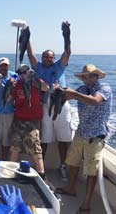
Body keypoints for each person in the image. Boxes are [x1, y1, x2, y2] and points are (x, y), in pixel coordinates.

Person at [55, 64, 112, 213]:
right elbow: (67, 95)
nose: (87, 79)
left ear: (96, 76)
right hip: (81, 132)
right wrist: (56, 90)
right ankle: (71, 188)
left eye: (91, 76)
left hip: (95, 135)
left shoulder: (104, 88)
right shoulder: (81, 89)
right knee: (73, 162)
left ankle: (86, 203)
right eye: (85, 76)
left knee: (91, 171)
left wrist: (74, 94)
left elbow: (94, 101)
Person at [26, 22, 73, 180]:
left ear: (54, 58)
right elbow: (30, 55)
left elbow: (67, 52)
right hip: (45, 107)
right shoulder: (38, 67)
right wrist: (27, 35)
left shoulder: (60, 66)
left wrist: (66, 35)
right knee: (44, 139)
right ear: (42, 58)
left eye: (51, 57)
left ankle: (63, 166)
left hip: (61, 105)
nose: (48, 59)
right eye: (45, 56)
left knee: (63, 139)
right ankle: (41, 168)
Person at [9, 64, 49, 179]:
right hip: (19, 120)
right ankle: (11, 173)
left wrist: (35, 79)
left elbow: (46, 88)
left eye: (23, 73)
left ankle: (42, 175)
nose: (21, 75)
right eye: (19, 73)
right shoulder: (17, 85)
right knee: (15, 147)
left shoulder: (36, 82)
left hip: (32, 121)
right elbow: (9, 98)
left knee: (35, 148)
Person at [0, 57, 18, 160]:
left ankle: (4, 161)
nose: (4, 67)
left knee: (6, 140)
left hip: (8, 112)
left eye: (5, 65)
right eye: (1, 66)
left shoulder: (14, 76)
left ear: (8, 66)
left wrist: (14, 84)